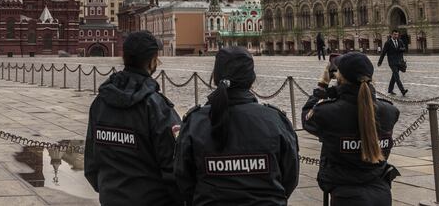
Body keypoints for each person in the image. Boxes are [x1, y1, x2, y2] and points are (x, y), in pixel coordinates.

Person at [174, 46, 299, 205]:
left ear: (215, 77)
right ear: (251, 79)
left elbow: (184, 179)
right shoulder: (275, 121)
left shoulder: (195, 122)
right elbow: (290, 177)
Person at [84, 31, 181, 206]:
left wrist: (112, 191)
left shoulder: (100, 103)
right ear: (152, 61)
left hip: (111, 199)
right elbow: (175, 165)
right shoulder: (156, 107)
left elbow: (91, 164)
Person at [302, 52, 400, 205]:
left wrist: (323, 86)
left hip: (344, 195)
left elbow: (306, 118)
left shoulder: (327, 112)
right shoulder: (389, 112)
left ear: (340, 77)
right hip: (382, 193)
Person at [377, 30, 407, 96]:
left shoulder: (400, 41)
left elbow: (404, 48)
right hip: (392, 62)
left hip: (399, 62)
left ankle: (390, 90)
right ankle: (402, 90)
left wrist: (400, 49)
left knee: (394, 76)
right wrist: (380, 62)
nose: (396, 36)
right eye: (394, 34)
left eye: (397, 34)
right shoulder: (388, 43)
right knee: (396, 76)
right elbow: (383, 53)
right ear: (391, 35)